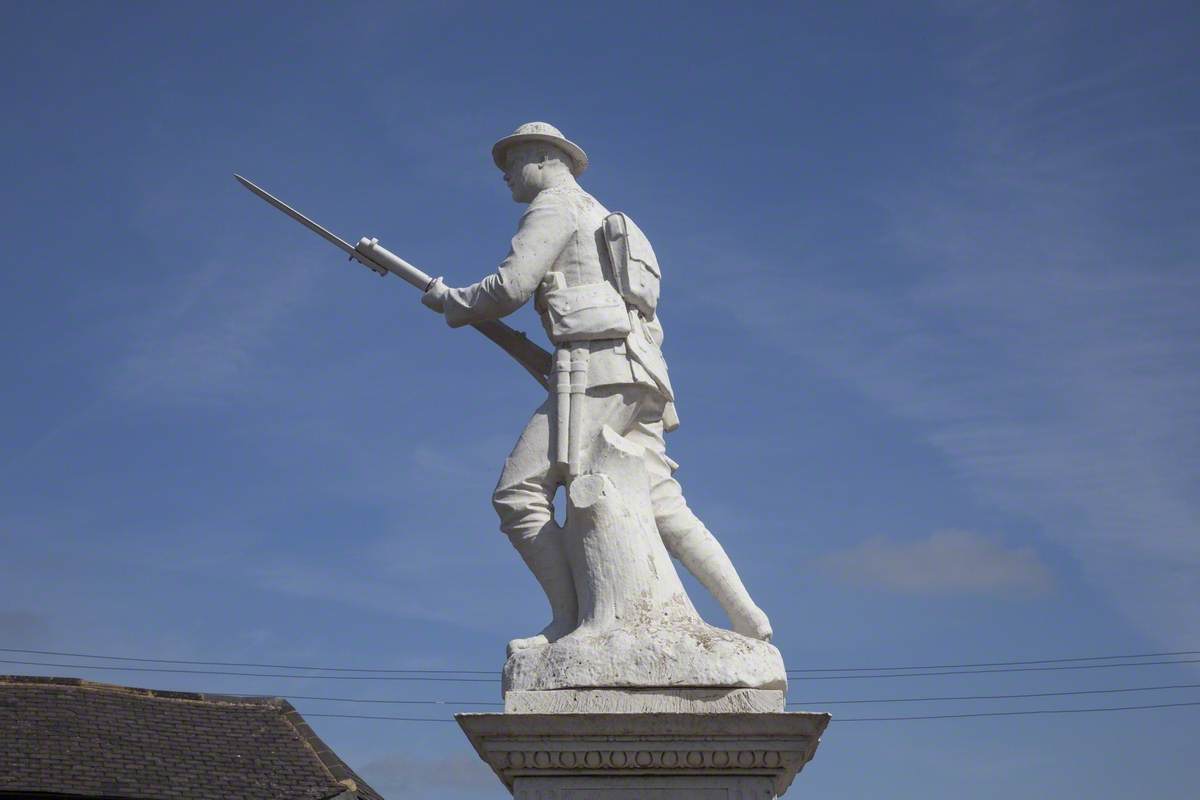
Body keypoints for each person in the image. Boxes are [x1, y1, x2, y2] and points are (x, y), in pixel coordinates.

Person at [421, 122, 771, 652]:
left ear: (540, 159)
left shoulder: (555, 206)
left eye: (511, 165)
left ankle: (567, 619)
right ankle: (747, 615)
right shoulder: (599, 212)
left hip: (596, 370)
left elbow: (512, 286)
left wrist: (455, 303)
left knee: (518, 494)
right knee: (661, 501)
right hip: (638, 372)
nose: (507, 177)